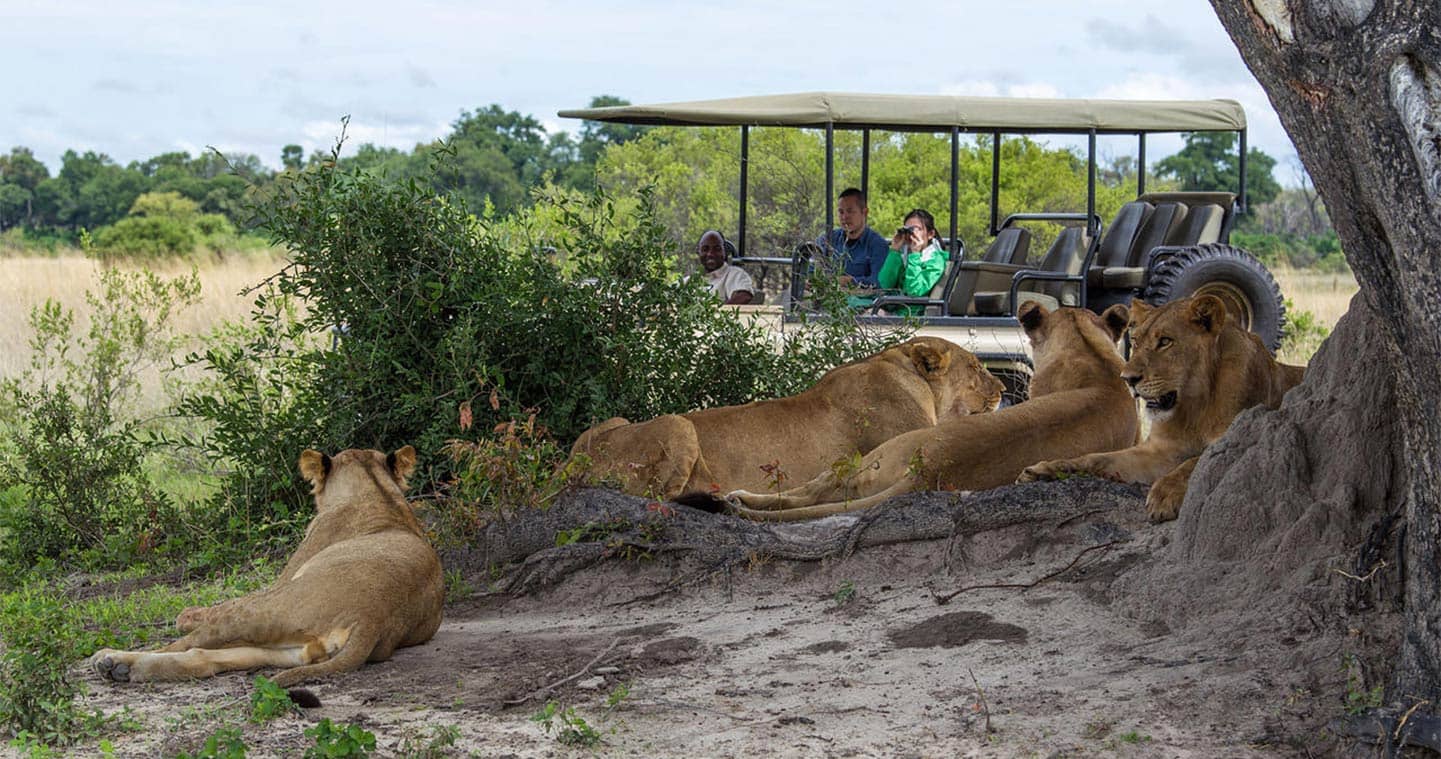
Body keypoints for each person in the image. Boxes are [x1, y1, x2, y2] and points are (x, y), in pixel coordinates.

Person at [851, 209, 949, 314]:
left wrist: (915, 255)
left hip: (912, 316)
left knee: (869, 314)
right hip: (896, 309)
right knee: (850, 303)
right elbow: (884, 285)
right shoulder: (905, 257)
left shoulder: (935, 260)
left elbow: (914, 291)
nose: (911, 235)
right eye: (907, 230)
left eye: (916, 229)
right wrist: (894, 251)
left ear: (930, 234)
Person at [820, 188, 889, 287]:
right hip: (828, 299)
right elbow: (811, 269)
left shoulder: (878, 245)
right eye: (841, 212)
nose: (844, 217)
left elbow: (878, 281)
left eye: (850, 211)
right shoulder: (828, 239)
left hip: (864, 301)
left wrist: (851, 281)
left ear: (864, 213)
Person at [696, 230, 754, 305]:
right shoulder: (689, 281)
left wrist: (717, 313)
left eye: (717, 249)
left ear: (725, 252)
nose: (710, 254)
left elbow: (744, 296)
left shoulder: (735, 274)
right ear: (698, 252)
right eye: (705, 249)